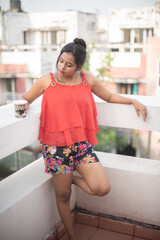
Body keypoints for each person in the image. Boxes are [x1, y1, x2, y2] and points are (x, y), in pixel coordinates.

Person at [23, 38, 147, 240]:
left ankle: (68, 178)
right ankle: (72, 236)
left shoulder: (87, 79)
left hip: (81, 145)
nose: (62, 67)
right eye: (61, 61)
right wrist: (25, 105)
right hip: (55, 148)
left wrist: (133, 100)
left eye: (69, 64)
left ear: (80, 66)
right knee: (63, 196)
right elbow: (26, 98)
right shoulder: (48, 80)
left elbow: (108, 96)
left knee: (101, 187)